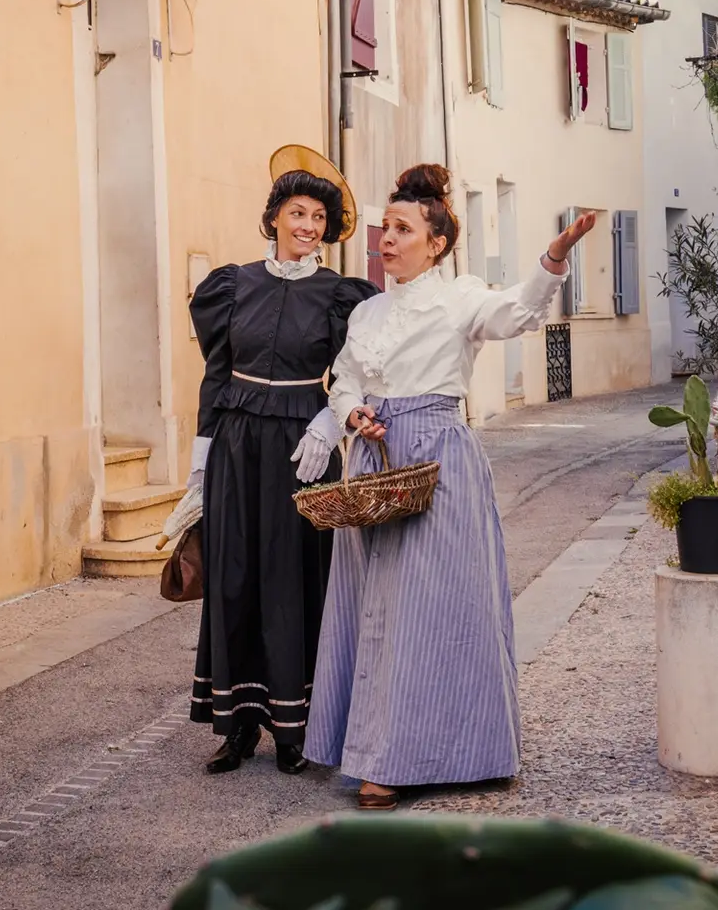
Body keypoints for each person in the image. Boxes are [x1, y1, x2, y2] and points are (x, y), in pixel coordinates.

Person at [306, 164, 596, 808]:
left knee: (434, 610)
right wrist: (352, 414)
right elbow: (345, 379)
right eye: (386, 227)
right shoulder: (367, 312)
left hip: (437, 459)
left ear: (435, 244)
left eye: (403, 229)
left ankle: (436, 754)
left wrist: (555, 255)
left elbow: (519, 312)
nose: (387, 239)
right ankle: (374, 749)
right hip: (375, 463)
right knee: (373, 607)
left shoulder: (461, 298)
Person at [187, 146, 380, 774]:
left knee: (297, 580)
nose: (309, 227)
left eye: (319, 218)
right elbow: (217, 376)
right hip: (237, 449)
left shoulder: (342, 296)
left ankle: (296, 731)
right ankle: (238, 727)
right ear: (274, 216)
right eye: (298, 213)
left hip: (304, 451)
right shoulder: (232, 286)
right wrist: (200, 463)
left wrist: (330, 422)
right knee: (235, 577)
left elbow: (358, 373)